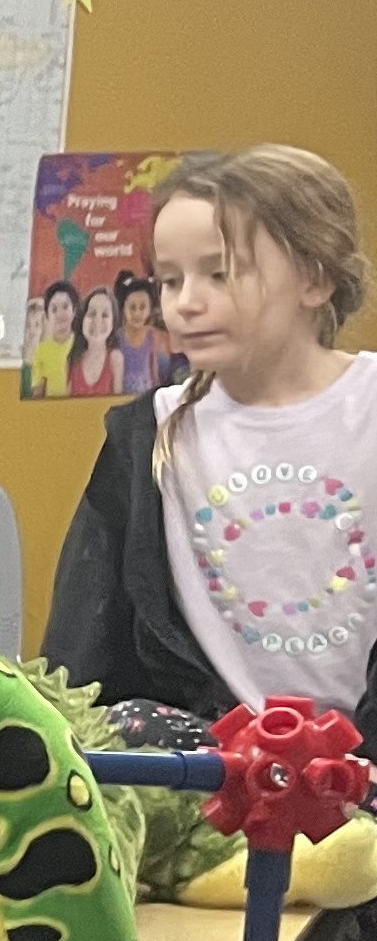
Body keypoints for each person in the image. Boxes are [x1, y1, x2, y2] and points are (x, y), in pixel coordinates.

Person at [42, 146, 375, 729]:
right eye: (169, 280)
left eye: (219, 274)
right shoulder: (148, 437)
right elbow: (84, 647)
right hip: (211, 777)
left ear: (314, 278)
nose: (185, 303)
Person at [115, 268, 171, 396]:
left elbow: (161, 376)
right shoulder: (117, 339)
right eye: (132, 307)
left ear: (150, 309)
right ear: (123, 308)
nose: (137, 313)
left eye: (142, 307)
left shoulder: (156, 338)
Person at [24, 279, 78, 398]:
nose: (60, 314)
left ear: (74, 311)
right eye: (54, 309)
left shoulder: (82, 345)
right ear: (47, 316)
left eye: (65, 307)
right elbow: (37, 392)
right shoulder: (41, 350)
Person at [67, 284, 122, 399]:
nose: (97, 321)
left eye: (105, 315)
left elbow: (119, 404)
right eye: (92, 314)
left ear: (113, 323)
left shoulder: (115, 359)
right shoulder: (72, 359)